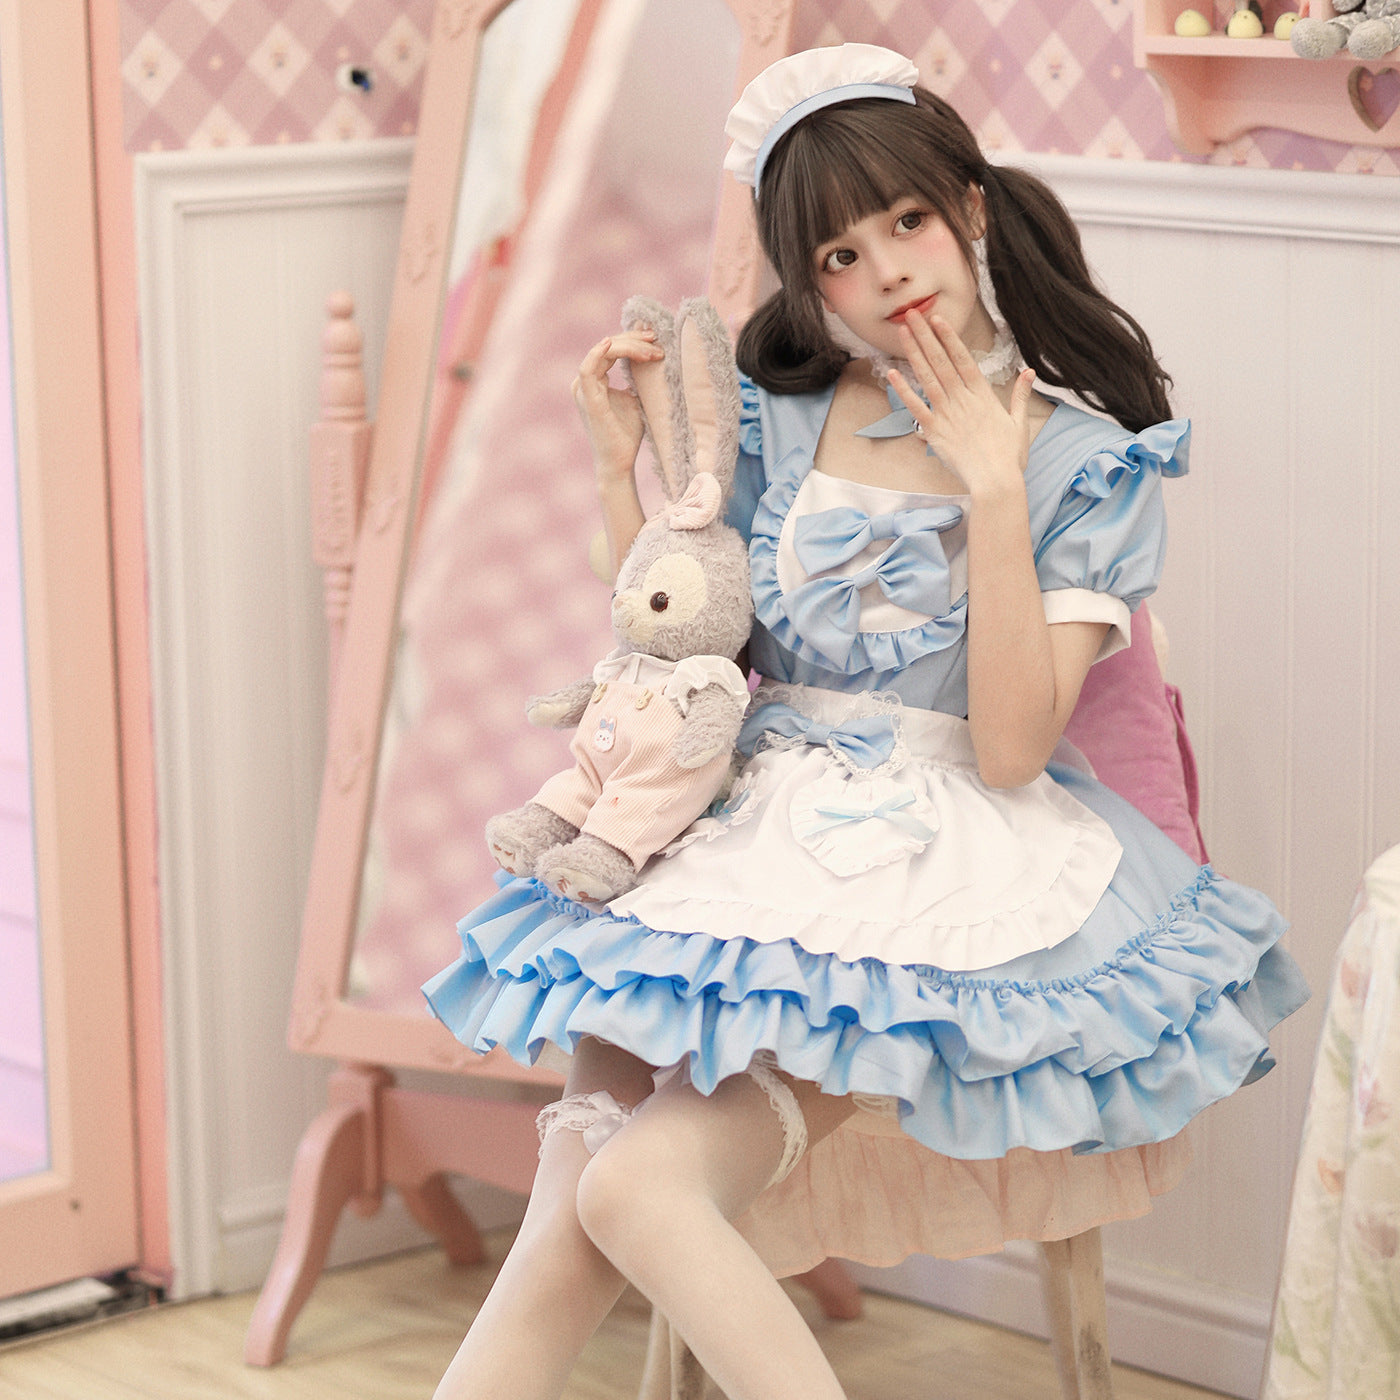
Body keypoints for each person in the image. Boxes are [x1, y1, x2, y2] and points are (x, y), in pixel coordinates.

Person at [422, 44, 1308, 1400]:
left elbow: (1011, 748)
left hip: (934, 858)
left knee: (633, 1189)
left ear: (969, 207)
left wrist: (993, 487)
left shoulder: (1086, 463)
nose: (888, 270)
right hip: (729, 825)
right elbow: (675, 635)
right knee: (571, 1200)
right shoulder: (778, 422)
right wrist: (620, 478)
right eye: (841, 254)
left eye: (907, 221)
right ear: (810, 284)